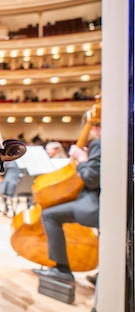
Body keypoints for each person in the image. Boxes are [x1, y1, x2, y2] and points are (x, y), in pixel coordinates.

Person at [33, 121, 101, 282]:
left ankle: (62, 269)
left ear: (96, 127)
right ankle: (103, 274)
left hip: (96, 205)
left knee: (50, 215)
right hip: (111, 203)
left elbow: (91, 179)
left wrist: (83, 159)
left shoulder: (99, 144)